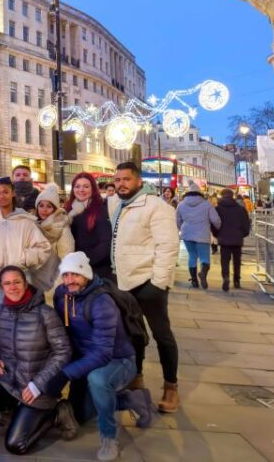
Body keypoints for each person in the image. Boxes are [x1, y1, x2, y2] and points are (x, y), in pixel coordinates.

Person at [49, 252, 153, 461]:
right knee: (83, 413)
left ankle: (109, 438)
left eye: (75, 275)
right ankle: (133, 399)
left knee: (97, 380)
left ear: (86, 275)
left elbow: (103, 353)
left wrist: (66, 373)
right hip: (86, 358)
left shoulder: (102, 302)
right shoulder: (61, 294)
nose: (70, 280)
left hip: (118, 360)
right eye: (66, 275)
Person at [0, 266, 72, 455]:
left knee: (16, 445)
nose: (12, 287)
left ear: (25, 283)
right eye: (7, 283)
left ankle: (56, 413)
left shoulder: (45, 313)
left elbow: (63, 352)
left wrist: (37, 384)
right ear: (1, 287)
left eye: (17, 282)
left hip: (37, 388)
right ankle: (11, 409)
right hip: (9, 381)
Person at [110, 162, 180, 413]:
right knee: (134, 334)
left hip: (149, 282)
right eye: (117, 180)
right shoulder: (121, 206)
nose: (121, 184)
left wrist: (158, 283)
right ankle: (136, 378)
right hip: (126, 281)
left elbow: (168, 245)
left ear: (139, 181)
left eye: (126, 179)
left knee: (162, 335)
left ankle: (170, 387)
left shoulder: (156, 206)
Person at [0, 177, 51, 316]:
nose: (2, 196)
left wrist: (25, 258)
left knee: (22, 321)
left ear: (13, 193)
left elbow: (43, 248)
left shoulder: (26, 222)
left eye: (6, 192)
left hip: (20, 280)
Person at [65, 172, 115, 282]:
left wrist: (84, 262)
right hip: (72, 268)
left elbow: (105, 243)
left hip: (94, 269)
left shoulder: (100, 209)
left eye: (86, 186)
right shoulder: (68, 210)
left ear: (93, 189)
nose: (81, 190)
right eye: (77, 186)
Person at [176, 180, 221, 290]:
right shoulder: (207, 204)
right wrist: (218, 228)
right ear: (200, 193)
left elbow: (177, 220)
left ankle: (194, 281)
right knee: (204, 258)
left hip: (187, 233)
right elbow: (215, 220)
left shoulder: (181, 205)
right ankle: (203, 274)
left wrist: (182, 228)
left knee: (192, 256)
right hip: (202, 233)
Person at [33, 183, 75, 293]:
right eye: (41, 205)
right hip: (35, 283)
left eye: (49, 206)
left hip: (52, 285)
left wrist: (56, 286)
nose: (44, 209)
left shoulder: (62, 228)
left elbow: (67, 260)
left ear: (55, 208)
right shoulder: (33, 225)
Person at [215, 188, 252, 291]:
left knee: (225, 260)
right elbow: (246, 224)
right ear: (233, 196)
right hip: (237, 239)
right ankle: (236, 280)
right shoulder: (241, 209)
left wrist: (217, 234)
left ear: (222, 196)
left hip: (224, 239)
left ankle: (225, 277)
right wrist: (242, 234)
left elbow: (214, 223)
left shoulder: (218, 209)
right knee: (237, 261)